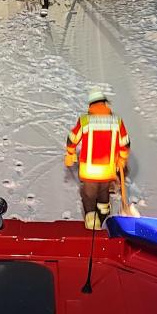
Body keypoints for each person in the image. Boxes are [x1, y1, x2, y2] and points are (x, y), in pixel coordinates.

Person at [65, 88, 130, 230]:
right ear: (105, 104)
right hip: (107, 170)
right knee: (103, 192)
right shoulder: (117, 121)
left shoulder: (85, 121)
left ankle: (92, 222)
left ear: (91, 105)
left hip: (89, 170)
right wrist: (122, 159)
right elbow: (125, 143)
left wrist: (70, 152)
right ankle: (103, 212)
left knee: (89, 195)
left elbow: (72, 139)